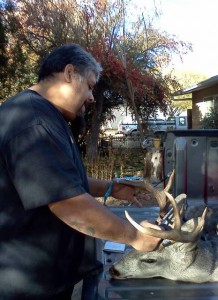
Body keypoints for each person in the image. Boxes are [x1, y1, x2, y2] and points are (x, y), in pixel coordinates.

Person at [0, 44, 161, 299]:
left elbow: (60, 181)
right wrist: (134, 236)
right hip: (29, 284)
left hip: (50, 276)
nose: (91, 97)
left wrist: (112, 187)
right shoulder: (34, 123)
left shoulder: (48, 117)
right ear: (69, 73)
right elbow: (68, 203)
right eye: (89, 85)